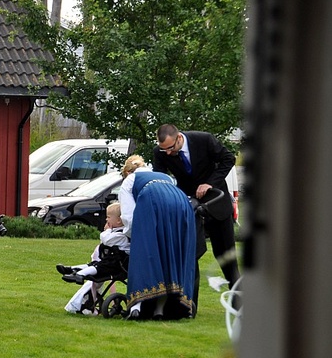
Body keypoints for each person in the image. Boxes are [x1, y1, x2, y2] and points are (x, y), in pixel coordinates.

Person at [152, 124, 240, 315]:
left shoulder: (203, 140)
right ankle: (189, 305)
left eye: (170, 148)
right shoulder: (160, 153)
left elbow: (228, 159)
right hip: (190, 208)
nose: (168, 153)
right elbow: (160, 179)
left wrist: (210, 183)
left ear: (179, 138)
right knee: (192, 254)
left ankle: (238, 299)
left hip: (216, 202)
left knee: (225, 254)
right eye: (164, 149)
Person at [119, 155, 196, 320]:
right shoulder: (166, 177)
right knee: (170, 254)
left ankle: (137, 306)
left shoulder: (130, 180)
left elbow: (129, 217)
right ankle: (160, 310)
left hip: (152, 200)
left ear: (127, 172)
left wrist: (132, 236)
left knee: (146, 257)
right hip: (181, 203)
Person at [56, 202, 130, 285]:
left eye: (108, 217)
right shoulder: (115, 233)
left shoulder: (121, 235)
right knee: (93, 264)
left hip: (117, 265)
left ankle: (80, 275)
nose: (106, 219)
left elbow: (105, 239)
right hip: (110, 262)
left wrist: (107, 230)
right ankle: (72, 269)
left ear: (119, 220)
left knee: (97, 266)